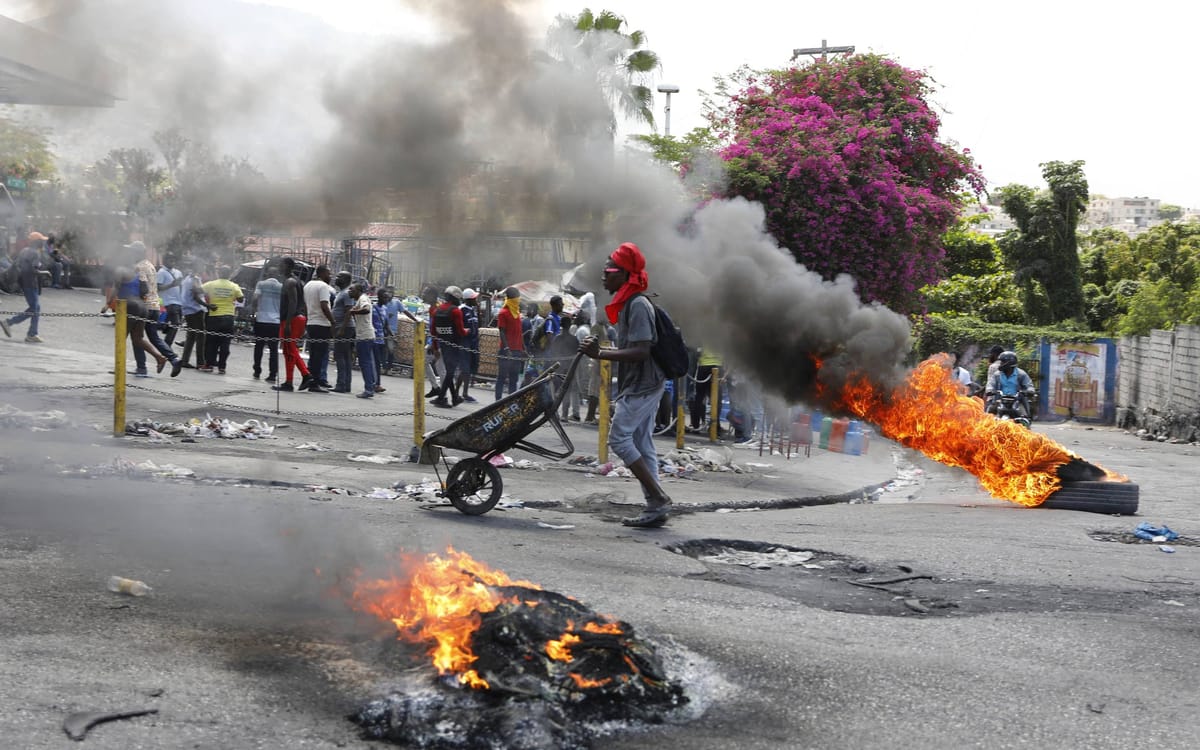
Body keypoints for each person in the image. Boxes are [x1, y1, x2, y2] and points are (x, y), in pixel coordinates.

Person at [579, 242, 672, 528]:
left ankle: (657, 497)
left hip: (644, 384)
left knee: (619, 439)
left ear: (625, 274)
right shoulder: (630, 303)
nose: (603, 276)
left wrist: (601, 353)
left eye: (608, 270)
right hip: (639, 382)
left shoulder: (639, 305)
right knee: (643, 445)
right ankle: (655, 506)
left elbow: (642, 351)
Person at [274, 257, 322, 393]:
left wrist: (288, 323)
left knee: (290, 349)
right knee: (289, 350)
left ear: (288, 266)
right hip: (296, 318)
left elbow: (293, 303)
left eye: (281, 265)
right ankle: (289, 381)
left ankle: (306, 375)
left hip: (292, 319)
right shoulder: (296, 281)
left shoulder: (290, 282)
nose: (279, 267)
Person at [1, 232, 47, 343]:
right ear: (37, 242)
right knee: (34, 308)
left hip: (24, 283)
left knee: (36, 308)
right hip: (30, 284)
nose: (43, 242)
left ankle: (32, 333)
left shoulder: (24, 250)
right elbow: (32, 270)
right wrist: (44, 272)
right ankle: (10, 323)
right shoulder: (35, 253)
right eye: (41, 240)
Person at [430, 285, 470, 408]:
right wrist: (468, 330)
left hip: (442, 344)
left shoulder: (437, 310)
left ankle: (454, 398)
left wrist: (436, 348)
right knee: (450, 372)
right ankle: (441, 398)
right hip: (453, 346)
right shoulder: (455, 311)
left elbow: (433, 332)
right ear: (456, 298)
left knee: (449, 372)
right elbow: (461, 331)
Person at [201, 265, 243, 374]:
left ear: (219, 273)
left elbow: (197, 290)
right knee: (225, 342)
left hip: (214, 316)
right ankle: (222, 367)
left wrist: (207, 304)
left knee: (211, 342)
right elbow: (241, 298)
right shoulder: (234, 286)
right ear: (229, 274)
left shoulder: (211, 284)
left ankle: (209, 365)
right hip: (228, 317)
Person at [303, 265, 336, 388]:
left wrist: (308, 319)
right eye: (329, 273)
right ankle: (314, 383)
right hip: (322, 324)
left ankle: (309, 378)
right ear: (322, 273)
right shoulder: (323, 287)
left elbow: (305, 306)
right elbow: (324, 305)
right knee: (319, 355)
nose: (330, 276)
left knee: (313, 354)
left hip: (311, 323)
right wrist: (333, 322)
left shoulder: (308, 285)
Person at [251, 264, 283, 382]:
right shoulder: (281, 287)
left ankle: (257, 371)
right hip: (275, 321)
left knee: (258, 346)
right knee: (273, 349)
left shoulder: (261, 284)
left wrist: (254, 311)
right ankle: (272, 374)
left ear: (267, 274)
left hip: (261, 319)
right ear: (277, 275)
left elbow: (255, 298)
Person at [347, 283, 378, 399]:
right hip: (364, 335)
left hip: (365, 336)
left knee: (365, 363)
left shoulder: (363, 299)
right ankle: (371, 386)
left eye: (352, 289)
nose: (349, 291)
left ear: (359, 290)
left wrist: (354, 312)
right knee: (367, 363)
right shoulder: (359, 299)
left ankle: (369, 389)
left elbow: (366, 309)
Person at [494, 286, 525, 400]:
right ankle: (497, 401)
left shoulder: (516, 312)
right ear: (512, 298)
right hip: (506, 351)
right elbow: (501, 331)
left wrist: (523, 348)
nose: (518, 299)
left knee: (514, 378)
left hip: (517, 351)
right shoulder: (503, 312)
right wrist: (507, 348)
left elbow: (519, 332)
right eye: (517, 297)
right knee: (501, 377)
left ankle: (511, 402)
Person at [986, 351, 1036, 420]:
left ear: (1009, 363)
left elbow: (1029, 385)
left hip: (1017, 401)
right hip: (1000, 401)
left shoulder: (1021, 374)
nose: (1000, 364)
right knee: (988, 417)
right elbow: (991, 384)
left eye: (1002, 362)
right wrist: (989, 390)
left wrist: (1029, 391)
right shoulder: (997, 375)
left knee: (1024, 418)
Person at [178, 265, 208, 370]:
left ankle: (185, 360)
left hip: (187, 309)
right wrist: (208, 305)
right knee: (201, 336)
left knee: (191, 336)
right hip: (196, 310)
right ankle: (200, 362)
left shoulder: (187, 278)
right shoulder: (195, 279)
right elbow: (196, 295)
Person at [331, 271, 356, 393]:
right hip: (343, 327)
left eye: (339, 277)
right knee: (345, 357)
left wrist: (341, 328)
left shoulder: (346, 293)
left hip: (344, 328)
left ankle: (341, 384)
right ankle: (346, 385)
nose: (336, 278)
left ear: (346, 279)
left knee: (339, 355)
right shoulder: (342, 292)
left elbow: (348, 312)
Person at [457, 288, 481, 402]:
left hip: (474, 342)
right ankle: (462, 393)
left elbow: (477, 325)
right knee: (465, 369)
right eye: (474, 298)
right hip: (464, 341)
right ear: (469, 299)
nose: (476, 300)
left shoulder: (473, 310)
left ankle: (461, 393)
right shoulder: (461, 310)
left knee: (470, 368)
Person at [690, 346, 723, 432]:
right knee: (716, 399)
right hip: (717, 366)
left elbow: (697, 350)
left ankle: (695, 425)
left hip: (703, 366)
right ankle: (715, 426)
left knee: (699, 397)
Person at [157, 253, 184, 347]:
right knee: (176, 323)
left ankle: (165, 329)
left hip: (178, 301)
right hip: (168, 302)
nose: (173, 262)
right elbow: (158, 287)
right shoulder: (161, 272)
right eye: (170, 260)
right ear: (165, 261)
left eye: (174, 260)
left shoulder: (178, 272)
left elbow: (181, 287)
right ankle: (167, 345)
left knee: (174, 324)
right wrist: (171, 285)